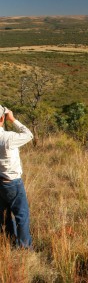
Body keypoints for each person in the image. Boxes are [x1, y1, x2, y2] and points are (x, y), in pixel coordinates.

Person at [0, 105, 33, 248]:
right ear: (2, 118)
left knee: (4, 215)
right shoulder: (8, 137)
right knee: (22, 216)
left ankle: (9, 239)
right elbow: (29, 135)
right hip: (12, 182)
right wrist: (12, 119)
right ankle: (24, 247)